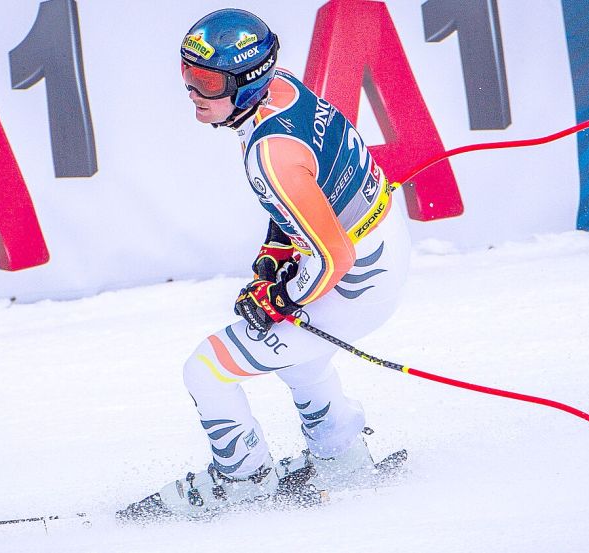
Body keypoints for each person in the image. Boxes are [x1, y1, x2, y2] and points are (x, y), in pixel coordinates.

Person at [156, 8, 411, 517]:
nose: (192, 92)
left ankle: (245, 484)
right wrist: (276, 257)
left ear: (247, 81)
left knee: (206, 370)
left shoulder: (269, 153)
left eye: (206, 81)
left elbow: (332, 257)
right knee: (302, 357)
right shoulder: (282, 88)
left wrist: (280, 297)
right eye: (186, 74)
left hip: (357, 274)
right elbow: (305, 201)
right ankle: (342, 457)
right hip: (380, 244)